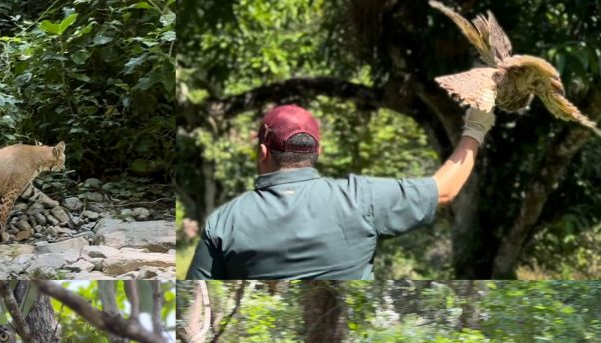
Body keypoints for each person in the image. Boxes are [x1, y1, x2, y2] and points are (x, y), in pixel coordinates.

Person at [186, 104, 495, 279]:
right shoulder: (361, 198)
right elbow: (445, 190)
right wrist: (475, 129)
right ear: (317, 149)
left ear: (263, 151)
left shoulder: (225, 222)